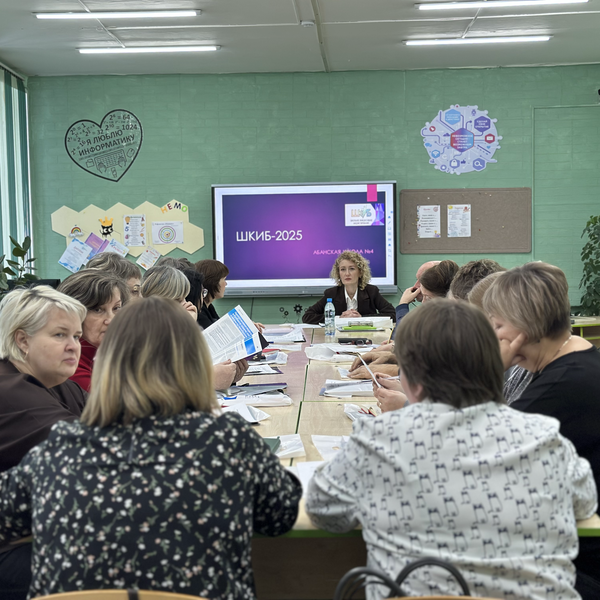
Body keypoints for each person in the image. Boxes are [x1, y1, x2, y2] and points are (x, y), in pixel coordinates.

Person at [0, 296, 301, 599]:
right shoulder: (228, 440)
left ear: (106, 364)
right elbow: (280, 515)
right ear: (196, 363)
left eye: (76, 337)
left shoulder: (58, 449)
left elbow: (8, 517)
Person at [306, 299, 597, 599]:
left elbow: (322, 509)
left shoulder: (377, 440)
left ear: (412, 381)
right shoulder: (546, 438)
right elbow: (584, 503)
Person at [482, 262, 600, 595]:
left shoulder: (562, 386)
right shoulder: (577, 359)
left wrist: (491, 369)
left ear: (524, 325)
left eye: (497, 325)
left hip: (576, 564)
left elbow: (477, 448)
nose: (493, 336)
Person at [0, 286, 87, 600]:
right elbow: (94, 451)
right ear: (22, 341)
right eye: (60, 335)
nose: (73, 346)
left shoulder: (59, 383)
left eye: (76, 336)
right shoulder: (10, 391)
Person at [58, 270, 130, 392]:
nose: (111, 320)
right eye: (98, 310)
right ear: (73, 314)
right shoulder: (69, 365)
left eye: (116, 308)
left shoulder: (116, 352)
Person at [302, 251, 396, 325]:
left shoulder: (371, 292)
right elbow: (307, 316)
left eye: (352, 269)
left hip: (366, 337)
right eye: (343, 269)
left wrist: (362, 319)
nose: (347, 274)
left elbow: (393, 314)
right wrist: (338, 319)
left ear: (360, 272)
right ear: (338, 273)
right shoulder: (332, 293)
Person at [195, 258, 265, 334]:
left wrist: (247, 327)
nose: (226, 284)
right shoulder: (200, 312)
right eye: (224, 279)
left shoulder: (209, 307)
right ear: (213, 282)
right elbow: (216, 336)